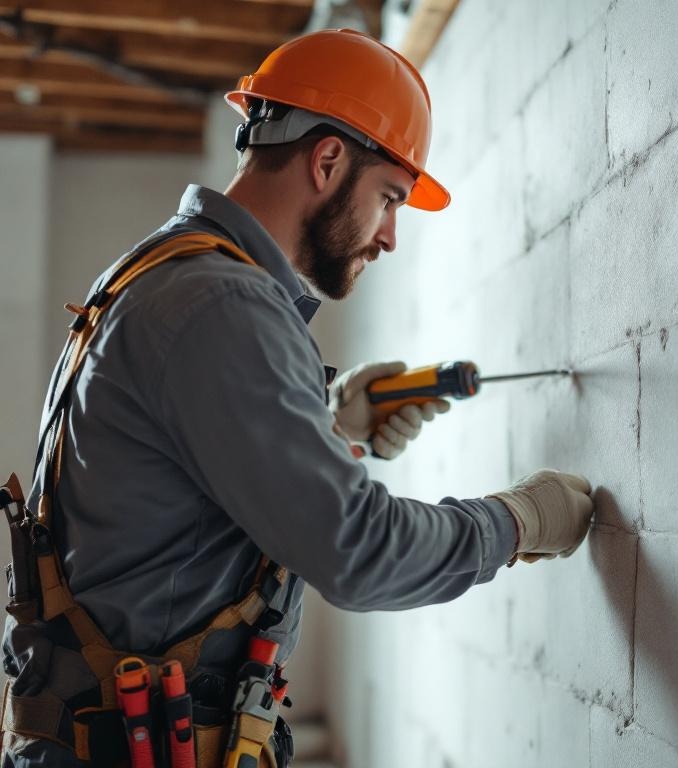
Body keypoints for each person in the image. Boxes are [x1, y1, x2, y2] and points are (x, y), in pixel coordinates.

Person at [0, 28, 594, 767]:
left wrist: (330, 421)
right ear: (327, 160)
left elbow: (180, 485)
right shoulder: (222, 304)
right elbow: (358, 550)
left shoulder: (161, 272)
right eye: (388, 199)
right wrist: (518, 522)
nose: (390, 237)